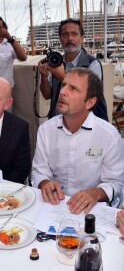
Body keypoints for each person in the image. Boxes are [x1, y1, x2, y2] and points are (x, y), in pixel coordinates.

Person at [31, 68, 124, 215]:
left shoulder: (109, 136)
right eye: (63, 85)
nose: (62, 92)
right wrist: (45, 183)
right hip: (53, 207)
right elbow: (38, 172)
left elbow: (116, 184)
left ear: (90, 102)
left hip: (92, 211)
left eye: (73, 88)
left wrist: (95, 194)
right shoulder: (45, 130)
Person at [37, 18, 108, 121]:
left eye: (74, 34)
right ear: (60, 39)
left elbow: (88, 95)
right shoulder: (57, 62)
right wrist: (43, 76)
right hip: (59, 122)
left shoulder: (93, 64)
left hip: (85, 125)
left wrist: (62, 76)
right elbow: (47, 95)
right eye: (65, 34)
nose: (70, 38)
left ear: (82, 38)